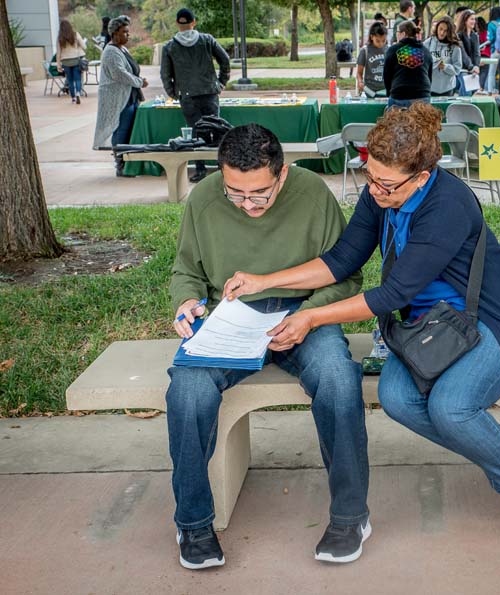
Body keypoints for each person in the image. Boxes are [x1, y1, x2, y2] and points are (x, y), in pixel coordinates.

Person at [223, 103, 500, 553]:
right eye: (369, 176)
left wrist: (310, 316)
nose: (374, 191)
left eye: (386, 184)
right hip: (425, 329)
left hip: (490, 322)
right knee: (396, 399)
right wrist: (263, 281)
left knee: (451, 409)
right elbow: (343, 260)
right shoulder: (381, 191)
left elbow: (389, 295)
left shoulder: (447, 206)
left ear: (422, 177)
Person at [167, 123, 369, 569]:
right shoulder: (204, 199)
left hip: (304, 312)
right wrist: (186, 302)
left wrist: (308, 315)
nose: (247, 205)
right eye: (235, 194)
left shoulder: (312, 194)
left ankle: (350, 516)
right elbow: (187, 270)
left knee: (337, 379)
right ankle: (194, 523)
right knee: (188, 391)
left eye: (259, 194)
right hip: (231, 317)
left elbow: (346, 275)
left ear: (281, 174)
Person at [160, 8, 231, 183]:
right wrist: (221, 83)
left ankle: (200, 170)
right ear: (194, 22)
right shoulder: (207, 40)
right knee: (217, 130)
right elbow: (225, 60)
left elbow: (165, 74)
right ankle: (222, 168)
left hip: (187, 96)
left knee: (195, 133)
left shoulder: (170, 46)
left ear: (177, 23)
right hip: (210, 92)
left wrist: (173, 93)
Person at [92, 15, 148, 177]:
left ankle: (129, 162)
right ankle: (120, 164)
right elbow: (119, 74)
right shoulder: (110, 52)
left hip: (129, 97)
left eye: (128, 32)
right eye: (125, 32)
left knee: (130, 130)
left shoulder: (122, 49)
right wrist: (139, 82)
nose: (128, 35)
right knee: (121, 131)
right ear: (114, 33)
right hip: (118, 99)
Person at [383, 20, 433, 108]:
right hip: (422, 94)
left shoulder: (393, 50)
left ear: (403, 34)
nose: (396, 35)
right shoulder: (425, 51)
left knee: (398, 122)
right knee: (420, 122)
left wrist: (389, 93)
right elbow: (429, 75)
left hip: (399, 94)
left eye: (397, 32)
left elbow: (387, 75)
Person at [423, 15, 462, 97]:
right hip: (429, 88)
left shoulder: (455, 47)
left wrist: (445, 67)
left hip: (447, 89)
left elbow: (457, 69)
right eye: (440, 29)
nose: (442, 33)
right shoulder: (427, 43)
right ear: (436, 28)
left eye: (446, 31)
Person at [56, 19, 86, 105]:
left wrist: (58, 65)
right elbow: (84, 46)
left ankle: (73, 98)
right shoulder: (75, 34)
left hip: (65, 62)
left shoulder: (60, 38)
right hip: (76, 60)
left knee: (70, 80)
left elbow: (58, 53)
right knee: (77, 79)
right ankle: (78, 94)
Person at [356, 22, 388, 96]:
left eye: (384, 40)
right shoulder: (365, 51)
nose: (381, 44)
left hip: (385, 90)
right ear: (371, 37)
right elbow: (359, 73)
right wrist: (360, 82)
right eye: (377, 40)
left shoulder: (388, 49)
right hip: (369, 91)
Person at [455, 9, 481, 96]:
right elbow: (462, 53)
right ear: (465, 20)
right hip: (462, 68)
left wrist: (476, 66)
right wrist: (471, 67)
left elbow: (477, 53)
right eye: (471, 19)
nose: (474, 21)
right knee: (467, 91)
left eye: (474, 19)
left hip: (472, 69)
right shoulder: (458, 35)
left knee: (471, 90)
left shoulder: (475, 35)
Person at [476, 15, 492, 90]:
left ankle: (477, 87)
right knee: (484, 72)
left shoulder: (476, 34)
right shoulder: (486, 32)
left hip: (478, 55)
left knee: (478, 72)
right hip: (486, 55)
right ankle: (480, 87)